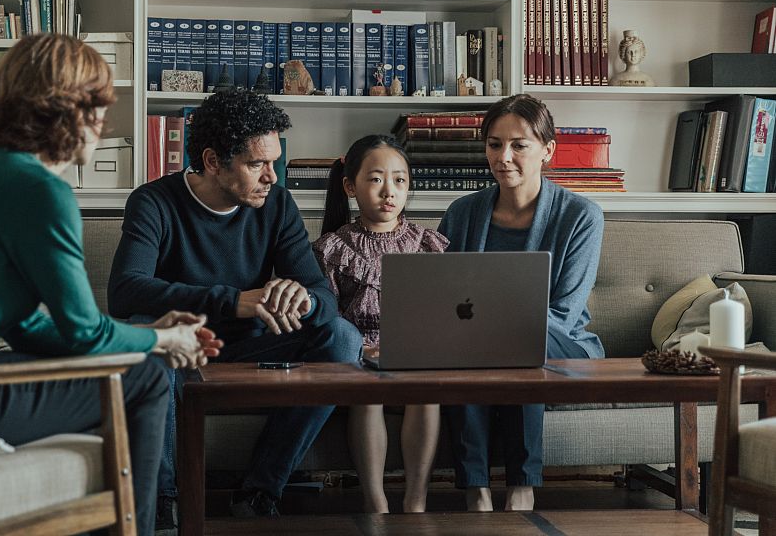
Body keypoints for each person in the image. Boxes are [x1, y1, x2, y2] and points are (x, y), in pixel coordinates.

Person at [0, 33, 223, 536]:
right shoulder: (39, 189)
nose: (103, 120)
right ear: (66, 109)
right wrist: (163, 341)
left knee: (132, 365)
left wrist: (149, 334)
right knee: (145, 378)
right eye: (97, 104)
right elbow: (85, 334)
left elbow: (25, 326)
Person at [107, 89, 362, 522]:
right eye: (257, 164)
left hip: (253, 349)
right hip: (182, 351)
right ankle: (165, 505)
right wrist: (233, 302)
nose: (273, 177)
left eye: (275, 161)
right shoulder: (153, 202)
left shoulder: (277, 205)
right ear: (212, 161)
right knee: (148, 337)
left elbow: (323, 296)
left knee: (342, 337)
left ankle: (260, 492)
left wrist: (301, 299)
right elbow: (126, 292)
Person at [438, 94, 605, 512]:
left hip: (559, 342)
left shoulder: (581, 215)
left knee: (517, 334)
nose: (504, 156)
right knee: (471, 340)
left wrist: (493, 324)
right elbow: (441, 296)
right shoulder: (461, 213)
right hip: (474, 343)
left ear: (548, 150)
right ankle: (475, 488)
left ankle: (521, 486)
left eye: (519, 145)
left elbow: (565, 313)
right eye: (494, 144)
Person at [312, 134, 448, 514]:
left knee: (426, 393)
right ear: (349, 186)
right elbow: (328, 317)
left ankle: (416, 499)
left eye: (399, 180)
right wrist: (362, 349)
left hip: (414, 354)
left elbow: (443, 310)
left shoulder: (428, 243)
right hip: (359, 355)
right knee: (367, 394)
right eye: (375, 179)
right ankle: (375, 501)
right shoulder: (332, 248)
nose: (389, 191)